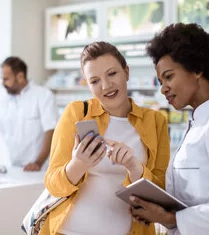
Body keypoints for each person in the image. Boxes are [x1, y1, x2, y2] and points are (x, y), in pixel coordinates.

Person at [130, 23, 209, 235]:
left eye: (169, 76)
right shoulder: (198, 123)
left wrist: (172, 219)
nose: (163, 88)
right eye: (161, 81)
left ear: (197, 69)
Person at [40, 42, 170, 235]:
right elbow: (53, 184)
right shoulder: (76, 113)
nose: (106, 86)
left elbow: (160, 193)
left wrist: (134, 167)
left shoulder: (155, 121)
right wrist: (79, 164)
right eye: (94, 81)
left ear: (126, 72)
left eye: (112, 74)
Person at [0, 57, 57, 172]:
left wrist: (38, 163)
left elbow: (51, 131)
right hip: (15, 168)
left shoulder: (43, 95)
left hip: (40, 169)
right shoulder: (5, 101)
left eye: (6, 79)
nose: (3, 83)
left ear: (20, 76)